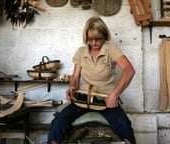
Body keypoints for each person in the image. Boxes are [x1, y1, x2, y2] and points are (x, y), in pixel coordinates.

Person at [47, 16, 136, 144]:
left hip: (105, 99)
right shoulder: (81, 52)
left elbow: (129, 70)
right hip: (83, 98)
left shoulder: (111, 49)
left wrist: (114, 94)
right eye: (90, 39)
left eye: (98, 39)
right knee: (58, 122)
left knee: (124, 126)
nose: (94, 43)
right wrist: (72, 86)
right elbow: (75, 77)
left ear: (104, 36)